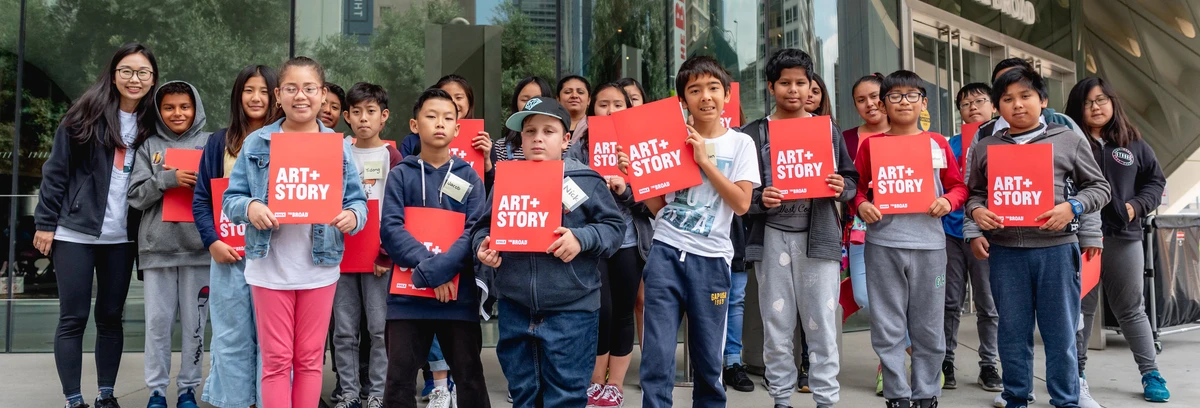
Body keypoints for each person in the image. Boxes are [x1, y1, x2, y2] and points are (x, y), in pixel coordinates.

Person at [222, 56, 368, 408]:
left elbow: (358, 202)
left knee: (309, 359)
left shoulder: (338, 146)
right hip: (269, 268)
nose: (300, 96)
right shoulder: (258, 142)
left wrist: (352, 215)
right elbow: (231, 199)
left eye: (308, 88)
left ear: (322, 93)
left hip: (319, 268)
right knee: (275, 361)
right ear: (278, 95)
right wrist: (251, 208)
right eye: (291, 88)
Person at [965, 67, 1110, 408]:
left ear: (1043, 100)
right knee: (1012, 333)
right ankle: (1016, 397)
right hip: (1005, 253)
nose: (1017, 105)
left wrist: (1071, 207)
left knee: (1060, 334)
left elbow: (1100, 188)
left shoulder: (1068, 139)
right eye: (1007, 99)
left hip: (1056, 251)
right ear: (998, 106)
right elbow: (974, 193)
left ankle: (1066, 400)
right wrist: (976, 214)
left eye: (1026, 96)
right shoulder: (987, 146)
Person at [624, 56, 761, 408]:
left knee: (708, 359)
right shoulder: (669, 139)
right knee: (656, 357)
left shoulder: (741, 144)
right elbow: (660, 209)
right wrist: (638, 176)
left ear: (727, 94)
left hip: (712, 261)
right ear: (682, 99)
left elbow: (742, 204)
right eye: (695, 89)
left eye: (713, 88)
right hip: (665, 254)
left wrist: (704, 161)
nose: (706, 96)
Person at [473, 97, 625, 407]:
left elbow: (614, 228)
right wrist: (483, 246)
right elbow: (483, 227)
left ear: (566, 139)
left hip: (572, 311)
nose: (537, 138)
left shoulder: (586, 180)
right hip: (515, 309)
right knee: (524, 395)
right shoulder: (506, 178)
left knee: (566, 398)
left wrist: (581, 239)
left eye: (548, 131)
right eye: (529, 131)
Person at [33, 43, 158, 408]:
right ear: (114, 73)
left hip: (121, 237)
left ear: (152, 79)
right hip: (75, 232)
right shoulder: (86, 112)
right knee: (73, 317)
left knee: (110, 318)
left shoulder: (153, 124)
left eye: (143, 73)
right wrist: (45, 223)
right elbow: (56, 172)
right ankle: (73, 399)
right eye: (127, 71)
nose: (134, 79)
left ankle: (106, 394)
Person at [741, 48, 858, 408]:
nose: (794, 90)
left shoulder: (827, 130)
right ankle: (780, 398)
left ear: (811, 87)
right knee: (776, 322)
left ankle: (826, 398)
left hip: (817, 238)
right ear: (770, 86)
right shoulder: (754, 134)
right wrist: (762, 198)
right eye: (785, 83)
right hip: (771, 237)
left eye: (801, 83)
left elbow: (851, 180)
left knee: (821, 321)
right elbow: (741, 193)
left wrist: (842, 186)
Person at [853, 70, 967, 408]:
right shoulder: (871, 146)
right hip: (883, 245)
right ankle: (897, 395)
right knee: (887, 325)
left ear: (924, 102)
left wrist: (948, 201)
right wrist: (861, 205)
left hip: (930, 246)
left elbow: (958, 186)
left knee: (929, 326)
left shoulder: (938, 144)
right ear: (884, 103)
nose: (904, 102)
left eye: (911, 95)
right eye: (895, 96)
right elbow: (855, 189)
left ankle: (926, 394)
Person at [382, 88, 491, 408]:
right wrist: (434, 273)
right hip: (407, 298)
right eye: (431, 116)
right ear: (415, 125)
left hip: (457, 297)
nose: (439, 123)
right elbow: (390, 229)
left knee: (470, 377)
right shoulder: (400, 174)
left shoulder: (469, 177)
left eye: (448, 117)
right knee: (399, 380)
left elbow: (475, 231)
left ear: (458, 128)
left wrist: (440, 272)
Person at [1066, 76, 1170, 404]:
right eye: (1087, 102)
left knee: (1131, 309)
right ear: (1076, 108)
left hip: (1124, 237)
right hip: (1080, 239)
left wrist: (1134, 207)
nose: (1095, 107)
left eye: (1101, 100)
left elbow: (1155, 182)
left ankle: (1151, 372)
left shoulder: (1133, 142)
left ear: (1113, 102)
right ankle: (1076, 373)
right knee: (1081, 310)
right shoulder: (1067, 141)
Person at [193, 64, 279, 408]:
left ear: (276, 96)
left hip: (273, 256)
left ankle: (269, 400)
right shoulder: (218, 142)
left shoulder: (288, 139)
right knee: (231, 337)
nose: (256, 98)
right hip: (228, 257)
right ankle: (234, 402)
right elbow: (202, 198)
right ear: (237, 95)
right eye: (248, 90)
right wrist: (212, 242)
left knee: (272, 340)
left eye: (263, 90)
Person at [564, 83, 651, 407]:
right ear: (592, 109)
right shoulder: (578, 147)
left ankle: (615, 383)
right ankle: (595, 380)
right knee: (602, 309)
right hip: (593, 240)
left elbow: (653, 203)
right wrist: (596, 189)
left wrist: (627, 187)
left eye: (619, 104)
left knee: (624, 311)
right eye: (603, 104)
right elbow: (565, 194)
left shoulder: (643, 146)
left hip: (628, 239)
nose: (611, 110)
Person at [127, 80, 212, 408]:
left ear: (196, 109)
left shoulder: (210, 143)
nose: (178, 113)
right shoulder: (148, 146)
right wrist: (167, 179)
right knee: (158, 325)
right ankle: (157, 392)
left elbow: (222, 190)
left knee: (196, 326)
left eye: (184, 106)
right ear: (159, 111)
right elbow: (135, 196)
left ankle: (188, 389)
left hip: (200, 251)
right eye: (169, 107)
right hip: (158, 251)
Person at [331, 82, 404, 408]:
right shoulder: (337, 151)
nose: (363, 118)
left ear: (383, 116)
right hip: (340, 254)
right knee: (344, 332)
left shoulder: (391, 154)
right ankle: (348, 394)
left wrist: (386, 254)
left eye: (370, 112)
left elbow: (398, 208)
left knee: (378, 331)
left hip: (377, 257)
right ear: (346, 115)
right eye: (356, 112)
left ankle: (377, 394)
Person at [942, 83, 1002, 393]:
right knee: (949, 302)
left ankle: (989, 364)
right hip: (950, 234)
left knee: (987, 303)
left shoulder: (1003, 142)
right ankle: (946, 361)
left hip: (986, 234)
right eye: (966, 104)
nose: (973, 107)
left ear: (994, 107)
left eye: (980, 101)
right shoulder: (947, 145)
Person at [495, 76, 555, 163]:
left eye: (537, 100)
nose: (531, 105)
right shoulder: (501, 147)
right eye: (525, 100)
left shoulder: (565, 146)